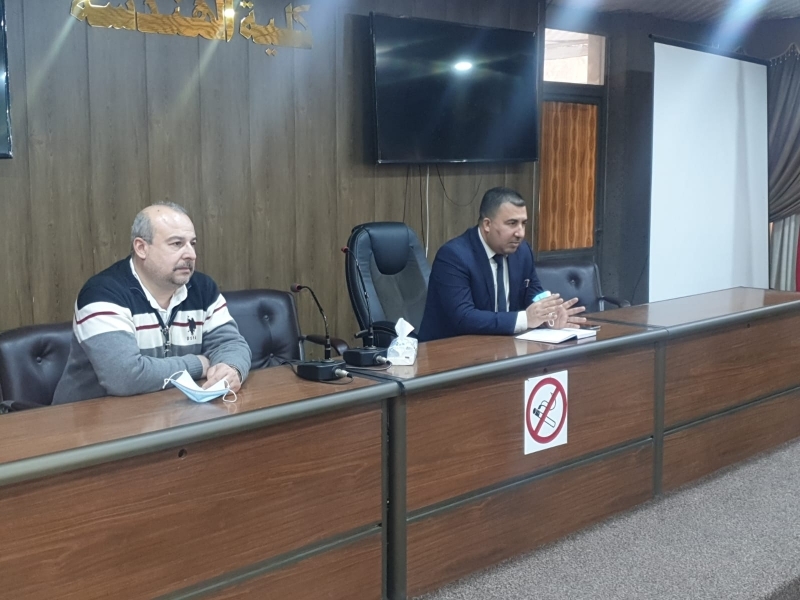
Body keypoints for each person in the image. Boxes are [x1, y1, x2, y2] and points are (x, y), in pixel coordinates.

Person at [52, 203, 252, 404]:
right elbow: (124, 377)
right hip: (90, 418)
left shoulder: (202, 289)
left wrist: (231, 368)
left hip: (169, 411)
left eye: (192, 243)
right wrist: (200, 364)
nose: (191, 254)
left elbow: (230, 344)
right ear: (141, 248)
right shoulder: (103, 293)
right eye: (177, 244)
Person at [418, 187, 586, 342]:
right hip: (450, 352)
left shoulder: (522, 251)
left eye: (523, 223)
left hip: (503, 347)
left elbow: (533, 294)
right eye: (512, 223)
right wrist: (526, 319)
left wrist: (548, 314)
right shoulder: (453, 256)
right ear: (487, 225)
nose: (520, 233)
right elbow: (463, 317)